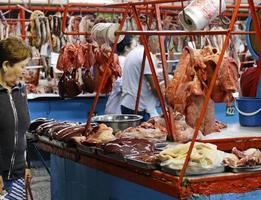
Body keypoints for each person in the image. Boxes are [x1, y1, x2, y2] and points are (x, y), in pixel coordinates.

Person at [0, 37, 32, 199]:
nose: (24, 71)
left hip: (18, 176)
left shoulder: (21, 91)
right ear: (6, 66)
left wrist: (25, 165)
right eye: (22, 66)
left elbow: (21, 133)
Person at [120, 36, 160, 121]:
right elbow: (154, 87)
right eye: (158, 42)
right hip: (138, 108)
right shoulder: (146, 55)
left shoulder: (134, 52)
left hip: (128, 104)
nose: (159, 46)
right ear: (150, 42)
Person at [105, 35, 136, 114]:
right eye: (134, 46)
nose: (136, 49)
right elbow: (119, 85)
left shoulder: (122, 60)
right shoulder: (122, 61)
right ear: (126, 48)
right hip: (117, 111)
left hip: (117, 110)